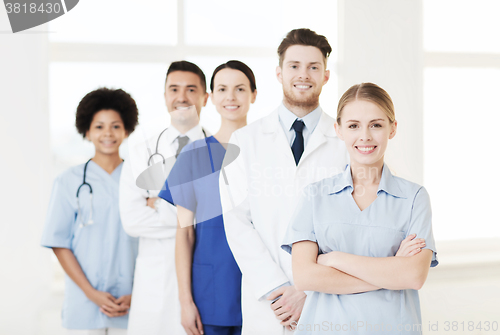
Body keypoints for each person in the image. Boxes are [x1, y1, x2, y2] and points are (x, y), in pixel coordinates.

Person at [219, 29, 349, 335]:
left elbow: (351, 226)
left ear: (326, 75)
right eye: (294, 66)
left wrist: (308, 289)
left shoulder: (347, 140)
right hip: (269, 304)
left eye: (313, 67)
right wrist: (279, 289)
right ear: (279, 73)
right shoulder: (244, 141)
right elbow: (236, 223)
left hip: (326, 298)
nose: (303, 74)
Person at [281, 83, 439, 335]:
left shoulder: (414, 198)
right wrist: (391, 270)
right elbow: (305, 277)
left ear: (392, 128)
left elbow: (413, 277)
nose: (365, 136)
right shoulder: (315, 196)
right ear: (339, 130)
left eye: (376, 125)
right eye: (353, 125)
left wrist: (334, 259)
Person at [158, 60, 257, 335]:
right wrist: (185, 301)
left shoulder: (266, 154)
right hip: (210, 290)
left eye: (240, 89)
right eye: (222, 89)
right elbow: (185, 233)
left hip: (261, 285)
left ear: (254, 95)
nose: (231, 97)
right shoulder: (193, 156)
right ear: (211, 97)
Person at [119, 61, 210, 335]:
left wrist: (159, 205)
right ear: (165, 97)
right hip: (155, 281)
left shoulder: (218, 151)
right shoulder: (140, 151)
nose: (182, 96)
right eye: (174, 89)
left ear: (205, 97)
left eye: (191, 89)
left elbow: (227, 219)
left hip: (204, 275)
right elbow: (132, 221)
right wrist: (192, 216)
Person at [41, 88, 140, 334]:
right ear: (87, 131)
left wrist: (137, 291)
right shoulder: (68, 181)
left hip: (132, 299)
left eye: (115, 126)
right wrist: (91, 293)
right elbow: (59, 242)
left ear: (126, 130)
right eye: (99, 126)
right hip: (84, 302)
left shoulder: (140, 181)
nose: (107, 133)